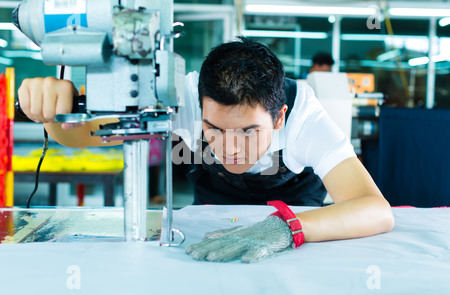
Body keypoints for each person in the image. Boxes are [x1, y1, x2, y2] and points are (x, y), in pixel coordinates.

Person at [18, 37, 394, 263]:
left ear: (279, 118)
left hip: (296, 235)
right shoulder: (182, 98)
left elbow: (375, 210)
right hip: (208, 230)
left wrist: (288, 229)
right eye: (213, 129)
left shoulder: (305, 116)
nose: (230, 148)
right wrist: (53, 112)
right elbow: (77, 136)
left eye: (248, 131)